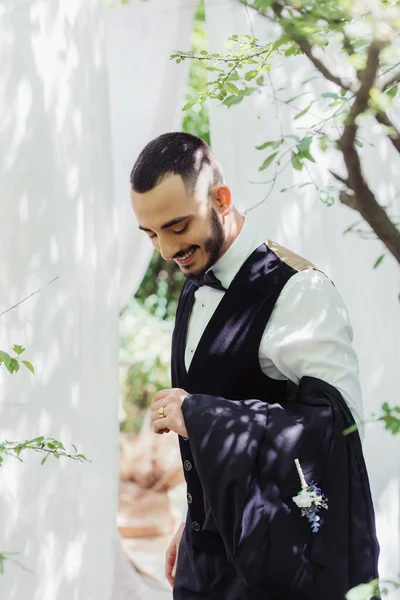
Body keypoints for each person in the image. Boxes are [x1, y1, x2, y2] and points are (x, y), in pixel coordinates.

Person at [130, 132, 379, 600]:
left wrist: (203, 417)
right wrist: (195, 523)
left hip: (270, 570)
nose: (165, 250)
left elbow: (339, 435)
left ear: (220, 199)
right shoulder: (194, 271)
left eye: (177, 227)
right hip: (203, 566)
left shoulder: (298, 291)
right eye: (151, 234)